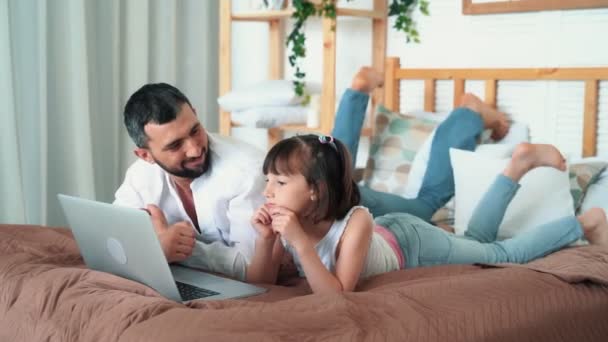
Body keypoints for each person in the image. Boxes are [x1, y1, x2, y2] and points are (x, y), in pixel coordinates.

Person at [115, 68, 507, 280]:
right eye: (174, 146)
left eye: (195, 131)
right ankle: (357, 94)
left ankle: (468, 113)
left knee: (425, 204)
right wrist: (156, 243)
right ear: (144, 154)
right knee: (328, 155)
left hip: (336, 202)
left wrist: (167, 250)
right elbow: (113, 228)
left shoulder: (248, 174)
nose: (196, 148)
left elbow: (251, 267)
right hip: (314, 185)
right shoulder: (141, 176)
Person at [246, 135, 608, 293]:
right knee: (477, 240)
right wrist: (266, 242)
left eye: (278, 181)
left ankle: (585, 221)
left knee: (501, 254)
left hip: (411, 242)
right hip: (386, 238)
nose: (267, 191)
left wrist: (300, 245)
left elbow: (336, 295)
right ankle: (518, 165)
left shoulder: (356, 221)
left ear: (315, 190)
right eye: (268, 180)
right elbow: (262, 284)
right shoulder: (289, 220)